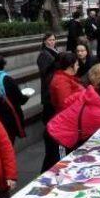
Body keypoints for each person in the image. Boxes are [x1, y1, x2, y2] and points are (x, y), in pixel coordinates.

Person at [36, 33, 60, 172]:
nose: (52, 42)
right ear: (44, 41)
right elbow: (46, 73)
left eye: (53, 39)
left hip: (52, 89)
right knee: (49, 111)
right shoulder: (43, 55)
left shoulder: (55, 51)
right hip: (48, 90)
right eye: (49, 40)